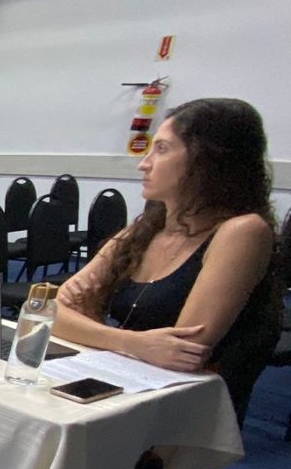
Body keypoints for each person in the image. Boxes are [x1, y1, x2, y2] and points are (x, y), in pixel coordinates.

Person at [54, 98, 279, 413]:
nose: (143, 163)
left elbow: (182, 354)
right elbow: (52, 313)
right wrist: (135, 343)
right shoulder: (145, 230)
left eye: (161, 149)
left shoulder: (242, 231)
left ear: (207, 160)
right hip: (122, 386)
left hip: (177, 410)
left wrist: (91, 320)